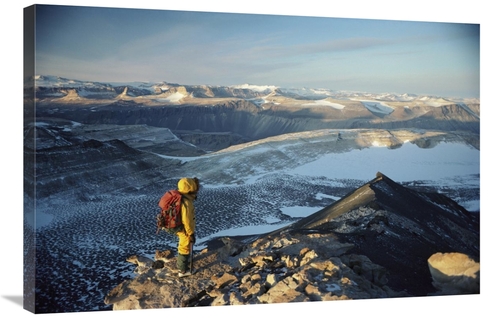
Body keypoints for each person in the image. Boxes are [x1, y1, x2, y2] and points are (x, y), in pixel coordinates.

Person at [175, 177, 199, 277]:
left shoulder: (181, 198)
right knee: (184, 247)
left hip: (180, 227)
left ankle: (184, 264)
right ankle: (182, 271)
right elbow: (187, 221)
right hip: (184, 229)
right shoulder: (186, 203)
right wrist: (191, 233)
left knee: (184, 245)